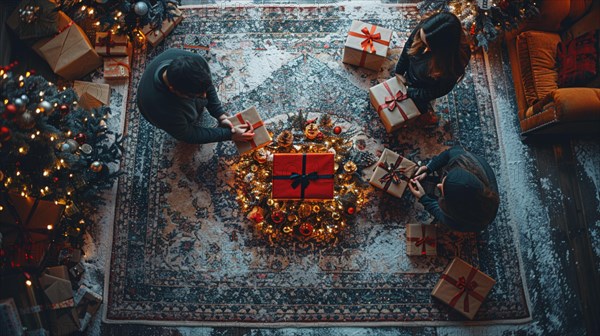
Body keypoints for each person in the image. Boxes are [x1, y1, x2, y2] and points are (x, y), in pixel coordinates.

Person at [137, 48, 254, 144]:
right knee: (187, 120)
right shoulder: (162, 111)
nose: (205, 96)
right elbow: (187, 134)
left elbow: (208, 87)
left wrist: (220, 115)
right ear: (173, 90)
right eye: (195, 95)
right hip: (162, 114)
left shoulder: (197, 61)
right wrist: (229, 135)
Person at [394, 12, 471, 123]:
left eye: (427, 45)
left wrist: (411, 92)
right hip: (412, 73)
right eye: (421, 37)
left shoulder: (453, 64)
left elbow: (438, 90)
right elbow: (409, 45)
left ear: (441, 49)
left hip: (424, 87)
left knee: (418, 110)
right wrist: (399, 71)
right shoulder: (426, 28)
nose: (423, 46)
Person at [408, 146, 500, 232]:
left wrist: (424, 198)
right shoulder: (463, 158)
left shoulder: (469, 223)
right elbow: (449, 152)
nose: (438, 185)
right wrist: (429, 167)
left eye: (443, 192)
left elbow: (442, 216)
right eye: (445, 179)